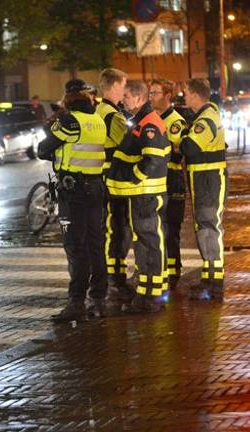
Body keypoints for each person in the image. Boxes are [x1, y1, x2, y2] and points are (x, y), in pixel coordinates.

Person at [38, 79, 108, 322]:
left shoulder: (69, 121)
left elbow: (43, 148)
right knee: (96, 243)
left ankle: (76, 302)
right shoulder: (98, 120)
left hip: (74, 191)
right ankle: (99, 299)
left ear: (67, 98)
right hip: (96, 188)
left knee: (75, 247)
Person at [105, 80, 170, 314]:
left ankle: (151, 296)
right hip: (142, 194)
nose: (123, 100)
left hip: (146, 194)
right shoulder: (142, 121)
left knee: (149, 241)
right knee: (144, 242)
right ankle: (147, 292)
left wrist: (133, 177)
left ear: (139, 98)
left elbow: (152, 159)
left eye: (126, 96)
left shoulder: (149, 124)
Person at [181, 78, 228, 302]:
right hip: (203, 180)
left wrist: (179, 137)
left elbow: (190, 147)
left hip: (209, 181)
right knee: (204, 228)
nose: (184, 97)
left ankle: (215, 282)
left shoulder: (206, 119)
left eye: (186, 94)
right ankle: (209, 277)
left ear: (195, 95)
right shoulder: (205, 116)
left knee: (209, 227)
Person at [95, 68, 132, 307]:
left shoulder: (99, 110)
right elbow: (129, 143)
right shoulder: (112, 115)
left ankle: (112, 275)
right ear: (113, 86)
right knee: (117, 227)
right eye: (123, 86)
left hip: (102, 176)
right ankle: (115, 278)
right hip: (113, 177)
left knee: (111, 227)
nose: (125, 91)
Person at [149, 79, 187, 289]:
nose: (151, 97)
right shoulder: (152, 119)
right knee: (158, 228)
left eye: (155, 93)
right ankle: (163, 269)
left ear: (167, 96)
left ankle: (173, 273)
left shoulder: (175, 122)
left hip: (172, 181)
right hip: (156, 181)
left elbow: (178, 152)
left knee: (171, 229)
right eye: (150, 93)